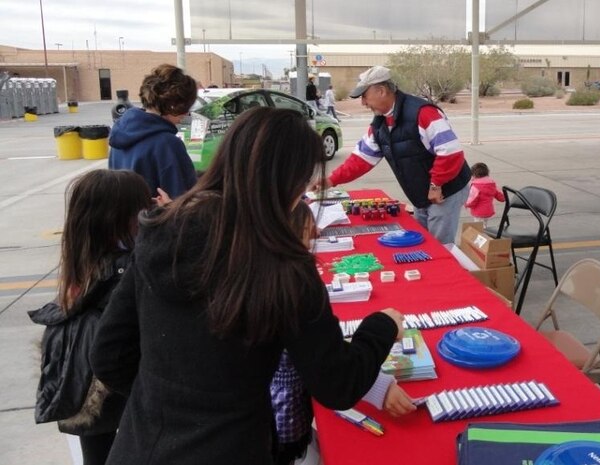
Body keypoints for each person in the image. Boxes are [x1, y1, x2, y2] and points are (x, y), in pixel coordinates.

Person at [89, 107, 405, 465]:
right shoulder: (282, 265)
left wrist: (167, 404)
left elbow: (109, 355)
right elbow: (338, 384)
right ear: (289, 184)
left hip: (140, 447)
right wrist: (382, 327)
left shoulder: (163, 229)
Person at [272, 202, 415, 465]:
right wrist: (383, 326)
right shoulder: (289, 284)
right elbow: (331, 374)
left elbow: (314, 354)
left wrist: (375, 385)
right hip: (279, 430)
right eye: (307, 234)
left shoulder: (253, 269)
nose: (314, 240)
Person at [29, 169, 152, 465]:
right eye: (144, 207)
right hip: (119, 388)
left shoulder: (83, 264)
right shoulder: (127, 269)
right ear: (124, 217)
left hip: (87, 392)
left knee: (96, 453)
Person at [320, 65, 471, 244]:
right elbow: (361, 159)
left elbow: (450, 151)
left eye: (364, 96)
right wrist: (330, 180)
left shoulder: (423, 112)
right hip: (423, 193)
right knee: (423, 243)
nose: (363, 103)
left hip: (446, 190)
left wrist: (436, 184)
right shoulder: (379, 124)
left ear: (382, 91)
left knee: (440, 246)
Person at [108, 63, 198, 200]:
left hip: (126, 218)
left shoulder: (119, 136)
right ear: (174, 106)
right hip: (157, 219)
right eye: (186, 109)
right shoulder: (167, 144)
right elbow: (183, 200)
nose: (186, 115)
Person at [465, 162, 505, 227]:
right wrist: (503, 198)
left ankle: (481, 236)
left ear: (474, 174)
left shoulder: (476, 186)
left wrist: (466, 204)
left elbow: (472, 199)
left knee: (478, 227)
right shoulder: (491, 184)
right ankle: (484, 233)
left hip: (478, 211)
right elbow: (499, 195)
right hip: (488, 210)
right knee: (484, 225)